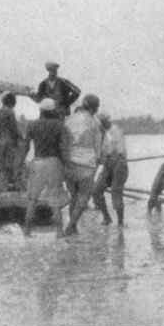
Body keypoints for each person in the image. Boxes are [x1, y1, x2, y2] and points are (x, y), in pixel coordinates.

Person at [21, 98, 72, 238]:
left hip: (37, 161)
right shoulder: (60, 126)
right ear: (53, 110)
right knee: (55, 199)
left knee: (32, 199)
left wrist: (20, 163)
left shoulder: (32, 125)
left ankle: (27, 231)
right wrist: (67, 166)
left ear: (41, 110)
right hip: (54, 162)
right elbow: (63, 149)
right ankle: (59, 232)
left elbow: (25, 147)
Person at [62, 94, 103, 235]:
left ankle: (73, 228)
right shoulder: (95, 122)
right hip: (86, 164)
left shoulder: (68, 120)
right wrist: (98, 162)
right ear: (95, 108)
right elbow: (98, 149)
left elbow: (63, 141)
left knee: (73, 196)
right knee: (84, 197)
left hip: (69, 163)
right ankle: (70, 226)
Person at [92, 113, 129, 226]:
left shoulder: (116, 131)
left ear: (105, 122)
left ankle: (121, 222)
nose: (100, 126)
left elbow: (118, 151)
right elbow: (102, 154)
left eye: (102, 123)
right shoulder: (102, 134)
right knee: (96, 191)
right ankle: (107, 218)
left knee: (116, 193)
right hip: (108, 164)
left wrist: (106, 159)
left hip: (119, 164)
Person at [0, 92, 23, 190]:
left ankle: (1, 186)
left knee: (0, 167)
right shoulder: (10, 112)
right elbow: (14, 127)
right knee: (9, 165)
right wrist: (20, 137)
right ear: (12, 102)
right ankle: (9, 186)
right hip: (8, 141)